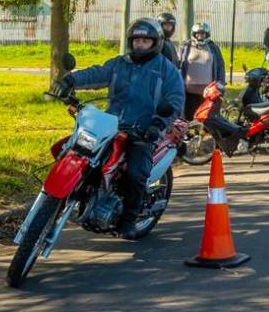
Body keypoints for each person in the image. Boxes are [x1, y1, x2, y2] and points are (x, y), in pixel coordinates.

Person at [53, 18, 184, 235]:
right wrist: (69, 81)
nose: (140, 45)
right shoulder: (120, 63)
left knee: (135, 173)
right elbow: (97, 73)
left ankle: (129, 221)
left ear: (156, 43)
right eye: (137, 40)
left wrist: (157, 125)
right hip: (110, 125)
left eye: (145, 41)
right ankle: (72, 195)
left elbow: (175, 101)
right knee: (71, 150)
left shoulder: (166, 70)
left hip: (142, 130)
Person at [179, 22, 226, 120]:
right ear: (194, 34)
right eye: (198, 33)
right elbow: (178, 64)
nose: (200, 36)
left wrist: (221, 83)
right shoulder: (186, 46)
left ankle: (204, 134)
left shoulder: (213, 47)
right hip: (189, 90)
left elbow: (221, 65)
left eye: (203, 33)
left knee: (205, 118)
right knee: (189, 117)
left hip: (208, 92)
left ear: (207, 34)